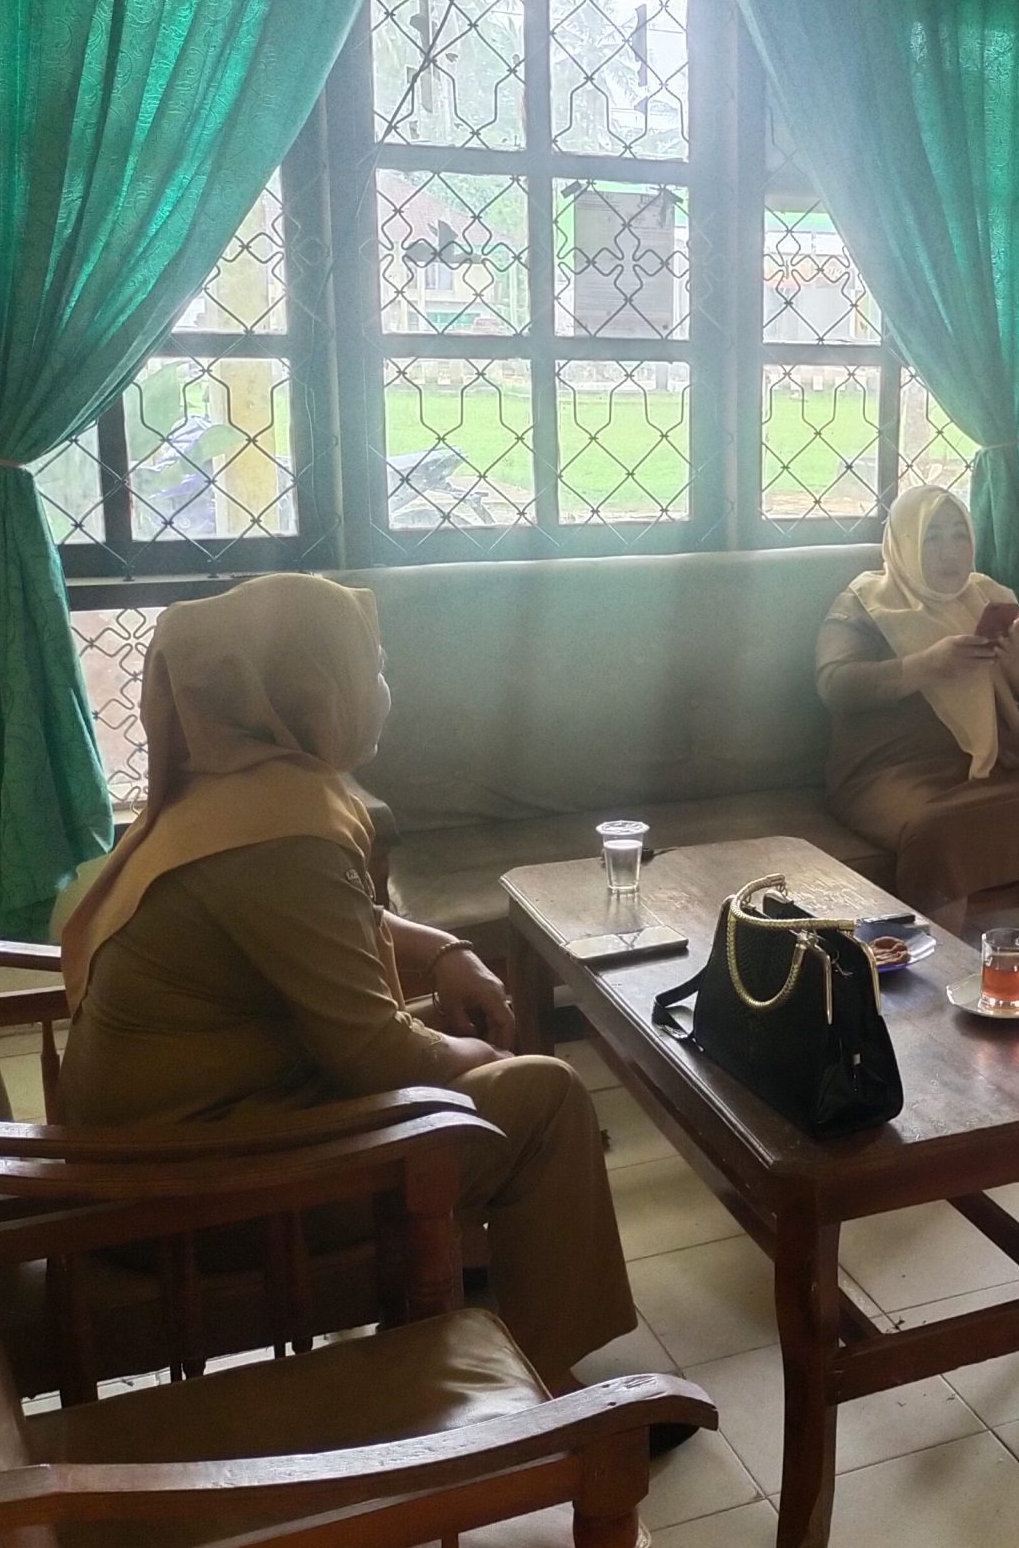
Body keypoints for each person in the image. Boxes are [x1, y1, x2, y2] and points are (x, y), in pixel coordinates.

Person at [57, 573, 640, 1397]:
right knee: (545, 1098)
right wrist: (481, 1057)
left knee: (465, 1041)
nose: (382, 689)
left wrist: (445, 952)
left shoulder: (233, 791)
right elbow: (377, 1054)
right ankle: (543, 1393)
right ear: (311, 689)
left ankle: (482, 1280)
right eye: (370, 667)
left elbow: (333, 924)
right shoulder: (276, 828)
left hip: (178, 1140)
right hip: (192, 1191)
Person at [817, 484, 1019, 1007]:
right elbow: (835, 685)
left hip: (992, 767)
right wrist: (927, 664)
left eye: (959, 536)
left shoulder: (987, 597)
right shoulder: (866, 602)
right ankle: (943, 976)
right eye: (932, 537)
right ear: (904, 542)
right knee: (942, 831)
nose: (949, 551)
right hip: (891, 772)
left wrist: (1016, 659)